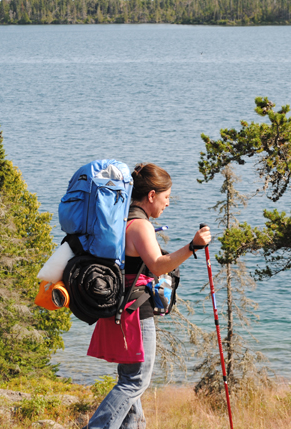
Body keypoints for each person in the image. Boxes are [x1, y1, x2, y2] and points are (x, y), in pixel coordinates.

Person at [83, 163, 211, 429]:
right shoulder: (140, 226)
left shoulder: (121, 219)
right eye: (166, 198)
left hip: (118, 308)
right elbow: (158, 265)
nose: (167, 204)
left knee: (130, 380)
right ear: (151, 195)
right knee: (135, 383)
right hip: (134, 314)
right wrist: (192, 246)